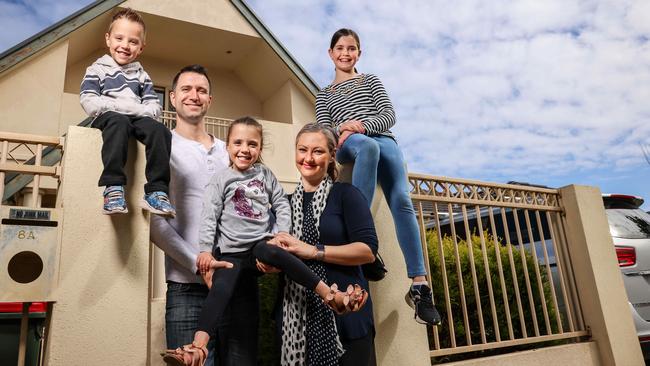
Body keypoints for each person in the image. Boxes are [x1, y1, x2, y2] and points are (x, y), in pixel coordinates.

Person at [163, 117, 368, 366]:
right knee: (221, 286)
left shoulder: (265, 175)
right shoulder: (221, 179)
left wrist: (281, 233)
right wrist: (206, 251)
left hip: (259, 245)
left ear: (260, 149)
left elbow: (281, 203)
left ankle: (329, 295)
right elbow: (209, 216)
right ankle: (198, 346)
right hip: (231, 252)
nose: (245, 149)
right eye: (238, 143)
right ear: (227, 146)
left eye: (252, 144)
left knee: (278, 253)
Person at [315, 28, 441, 326]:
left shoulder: (371, 81)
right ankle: (363, 240)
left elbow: (388, 115)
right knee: (367, 147)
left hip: (382, 138)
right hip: (350, 146)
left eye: (352, 48)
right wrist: (343, 133)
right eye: (340, 48)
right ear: (331, 53)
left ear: (359, 53)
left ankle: (420, 285)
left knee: (402, 200)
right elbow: (323, 129)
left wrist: (359, 125)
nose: (346, 53)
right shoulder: (324, 94)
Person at [272, 123, 378, 366]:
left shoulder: (346, 195)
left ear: (332, 156)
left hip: (348, 318)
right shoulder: (283, 205)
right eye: (302, 150)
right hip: (295, 320)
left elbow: (367, 251)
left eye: (318, 151)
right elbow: (274, 252)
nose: (308, 158)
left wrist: (313, 251)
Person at [150, 64, 233, 366]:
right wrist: (200, 266)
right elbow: (156, 223)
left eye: (201, 90)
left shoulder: (229, 150)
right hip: (186, 288)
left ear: (210, 100)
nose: (194, 95)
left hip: (233, 284)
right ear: (172, 97)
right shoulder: (162, 147)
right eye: (186, 89)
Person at [80, 7, 175, 216]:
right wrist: (129, 108)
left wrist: (130, 109)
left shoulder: (142, 76)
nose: (125, 45)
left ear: (141, 47)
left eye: (133, 41)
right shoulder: (97, 69)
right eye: (119, 38)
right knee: (119, 122)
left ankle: (156, 191)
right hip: (109, 119)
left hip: (137, 120)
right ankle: (113, 187)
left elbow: (154, 109)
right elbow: (89, 102)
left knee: (161, 131)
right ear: (108, 39)